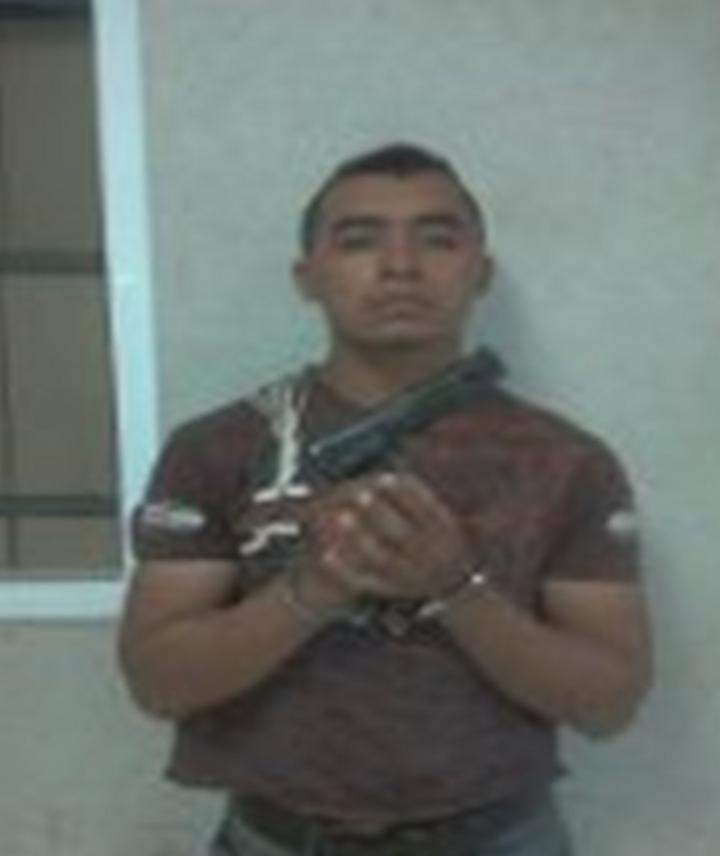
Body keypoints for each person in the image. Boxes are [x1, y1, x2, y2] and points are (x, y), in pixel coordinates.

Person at [119, 143, 652, 855]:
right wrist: (314, 588)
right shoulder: (215, 449)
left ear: (480, 272)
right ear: (307, 277)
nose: (400, 266)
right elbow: (159, 685)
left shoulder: (569, 461)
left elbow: (609, 704)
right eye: (359, 240)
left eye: (437, 239)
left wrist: (455, 588)